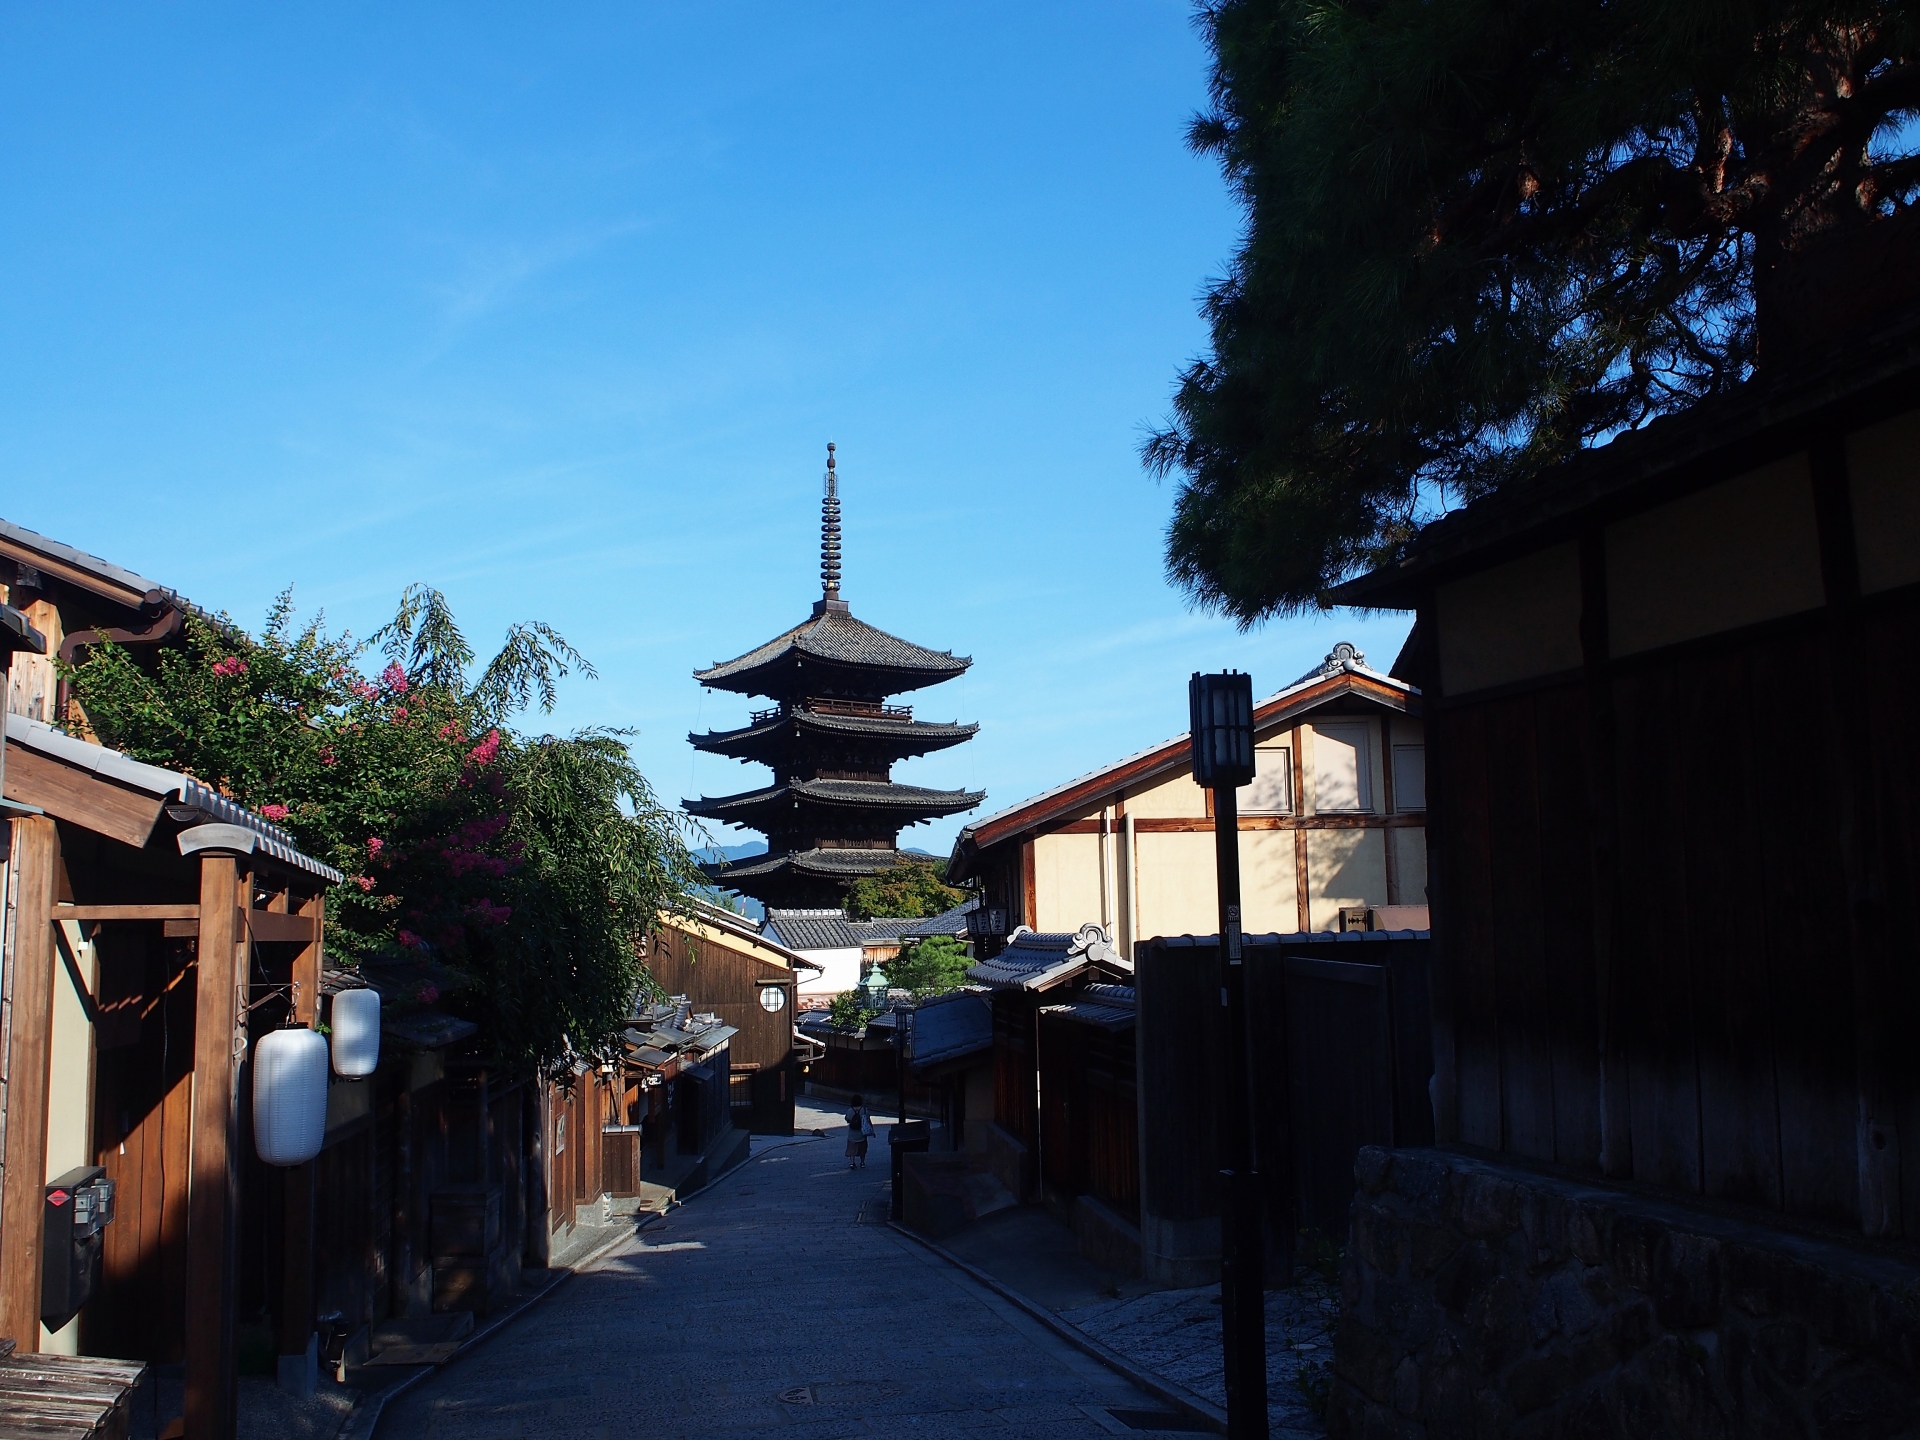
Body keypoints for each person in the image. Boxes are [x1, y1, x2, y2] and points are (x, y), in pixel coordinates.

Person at [845, 1094, 875, 1170]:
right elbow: (868, 1120)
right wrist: (872, 1130)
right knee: (863, 1148)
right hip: (862, 1133)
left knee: (851, 1148)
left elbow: (847, 1119)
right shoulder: (864, 1110)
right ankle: (862, 1162)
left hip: (852, 1133)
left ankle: (852, 1163)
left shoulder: (850, 1110)